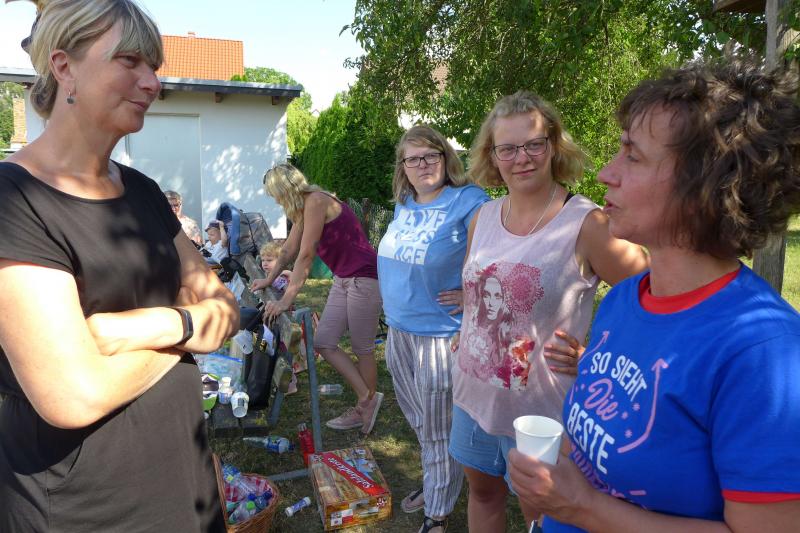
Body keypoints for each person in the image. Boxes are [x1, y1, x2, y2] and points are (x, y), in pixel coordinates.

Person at [508, 56, 800, 532]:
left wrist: (582, 508)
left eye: (633, 155)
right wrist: (552, 488)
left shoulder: (764, 354)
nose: (606, 173)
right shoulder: (625, 299)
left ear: (705, 186)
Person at [0, 1, 239, 531]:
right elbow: (73, 394)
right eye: (130, 61)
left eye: (153, 66)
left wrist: (142, 327)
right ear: (64, 68)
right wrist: (192, 330)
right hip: (83, 505)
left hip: (182, 478)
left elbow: (225, 308)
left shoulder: (144, 192)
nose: (151, 82)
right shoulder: (13, 199)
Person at [449, 90, 649, 532]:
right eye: (507, 148)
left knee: (544, 520)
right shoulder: (483, 217)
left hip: (543, 416)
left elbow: (655, 299)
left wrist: (598, 360)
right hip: (472, 397)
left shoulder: (588, 224)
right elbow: (477, 289)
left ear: (554, 146)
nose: (521, 158)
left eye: (534, 144)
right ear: (492, 156)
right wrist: (468, 329)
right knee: (482, 496)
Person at [377, 125, 489, 533]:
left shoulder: (469, 200)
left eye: (431, 155)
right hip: (398, 331)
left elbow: (497, 252)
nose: (422, 164)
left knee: (438, 429)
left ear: (446, 158)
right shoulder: (404, 205)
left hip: (440, 335)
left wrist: (474, 294)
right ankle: (437, 478)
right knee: (422, 422)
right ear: (403, 167)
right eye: (413, 158)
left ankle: (437, 514)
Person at [251, 163, 384, 434]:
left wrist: (286, 300)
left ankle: (365, 406)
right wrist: (268, 279)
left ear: (284, 189)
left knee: (362, 347)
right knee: (324, 342)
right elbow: (288, 249)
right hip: (343, 278)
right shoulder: (304, 208)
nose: (276, 201)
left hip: (364, 277)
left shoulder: (316, 200)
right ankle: (367, 399)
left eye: (275, 195)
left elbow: (306, 253)